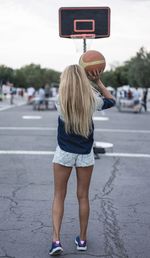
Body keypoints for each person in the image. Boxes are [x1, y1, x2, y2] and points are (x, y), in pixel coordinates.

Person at [49, 65, 116, 256]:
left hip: (63, 153)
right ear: (83, 80)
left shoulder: (60, 100)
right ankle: (82, 240)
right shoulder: (91, 100)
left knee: (59, 195)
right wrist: (97, 81)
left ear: (65, 81)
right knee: (83, 196)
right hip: (85, 154)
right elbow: (111, 101)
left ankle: (56, 241)